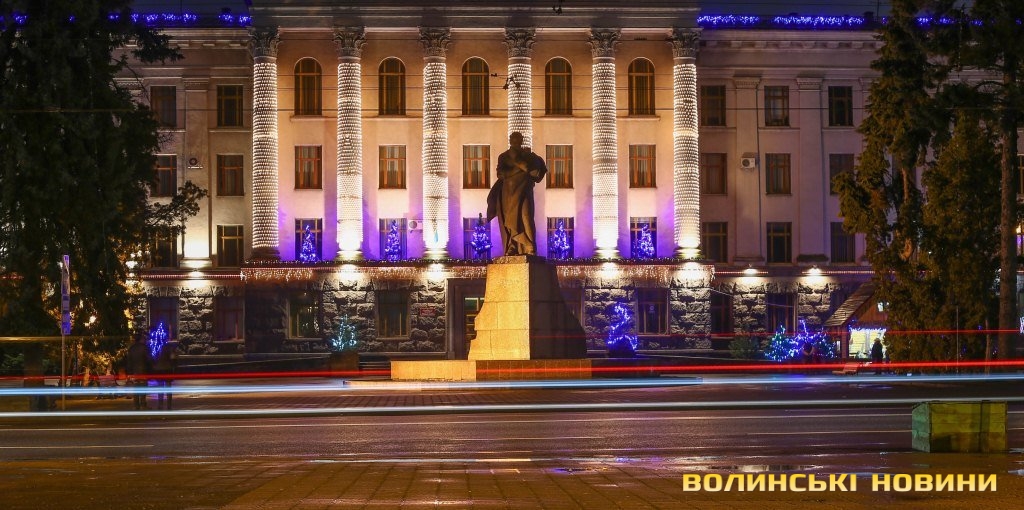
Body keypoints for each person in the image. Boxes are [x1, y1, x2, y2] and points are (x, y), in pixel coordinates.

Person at [486, 131, 547, 256]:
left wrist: (522, 165)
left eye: (518, 140)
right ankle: (512, 246)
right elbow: (501, 174)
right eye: (513, 140)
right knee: (509, 220)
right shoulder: (504, 156)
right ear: (510, 141)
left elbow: (536, 172)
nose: (515, 143)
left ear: (521, 141)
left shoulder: (528, 156)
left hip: (524, 190)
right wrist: (519, 168)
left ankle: (530, 246)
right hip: (508, 192)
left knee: (526, 216)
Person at [125, 333, 152, 410]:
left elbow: (129, 361)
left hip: (134, 371)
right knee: (143, 387)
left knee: (136, 388)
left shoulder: (131, 348)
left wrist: (129, 372)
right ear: (141, 339)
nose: (145, 340)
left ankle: (136, 405)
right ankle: (143, 404)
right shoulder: (144, 348)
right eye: (144, 339)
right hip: (143, 370)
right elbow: (149, 359)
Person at [153, 340, 179, 410]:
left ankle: (160, 405)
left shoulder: (159, 352)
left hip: (159, 370)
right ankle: (169, 406)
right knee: (168, 389)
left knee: (160, 388)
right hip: (167, 370)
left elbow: (155, 361)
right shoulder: (171, 351)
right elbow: (174, 361)